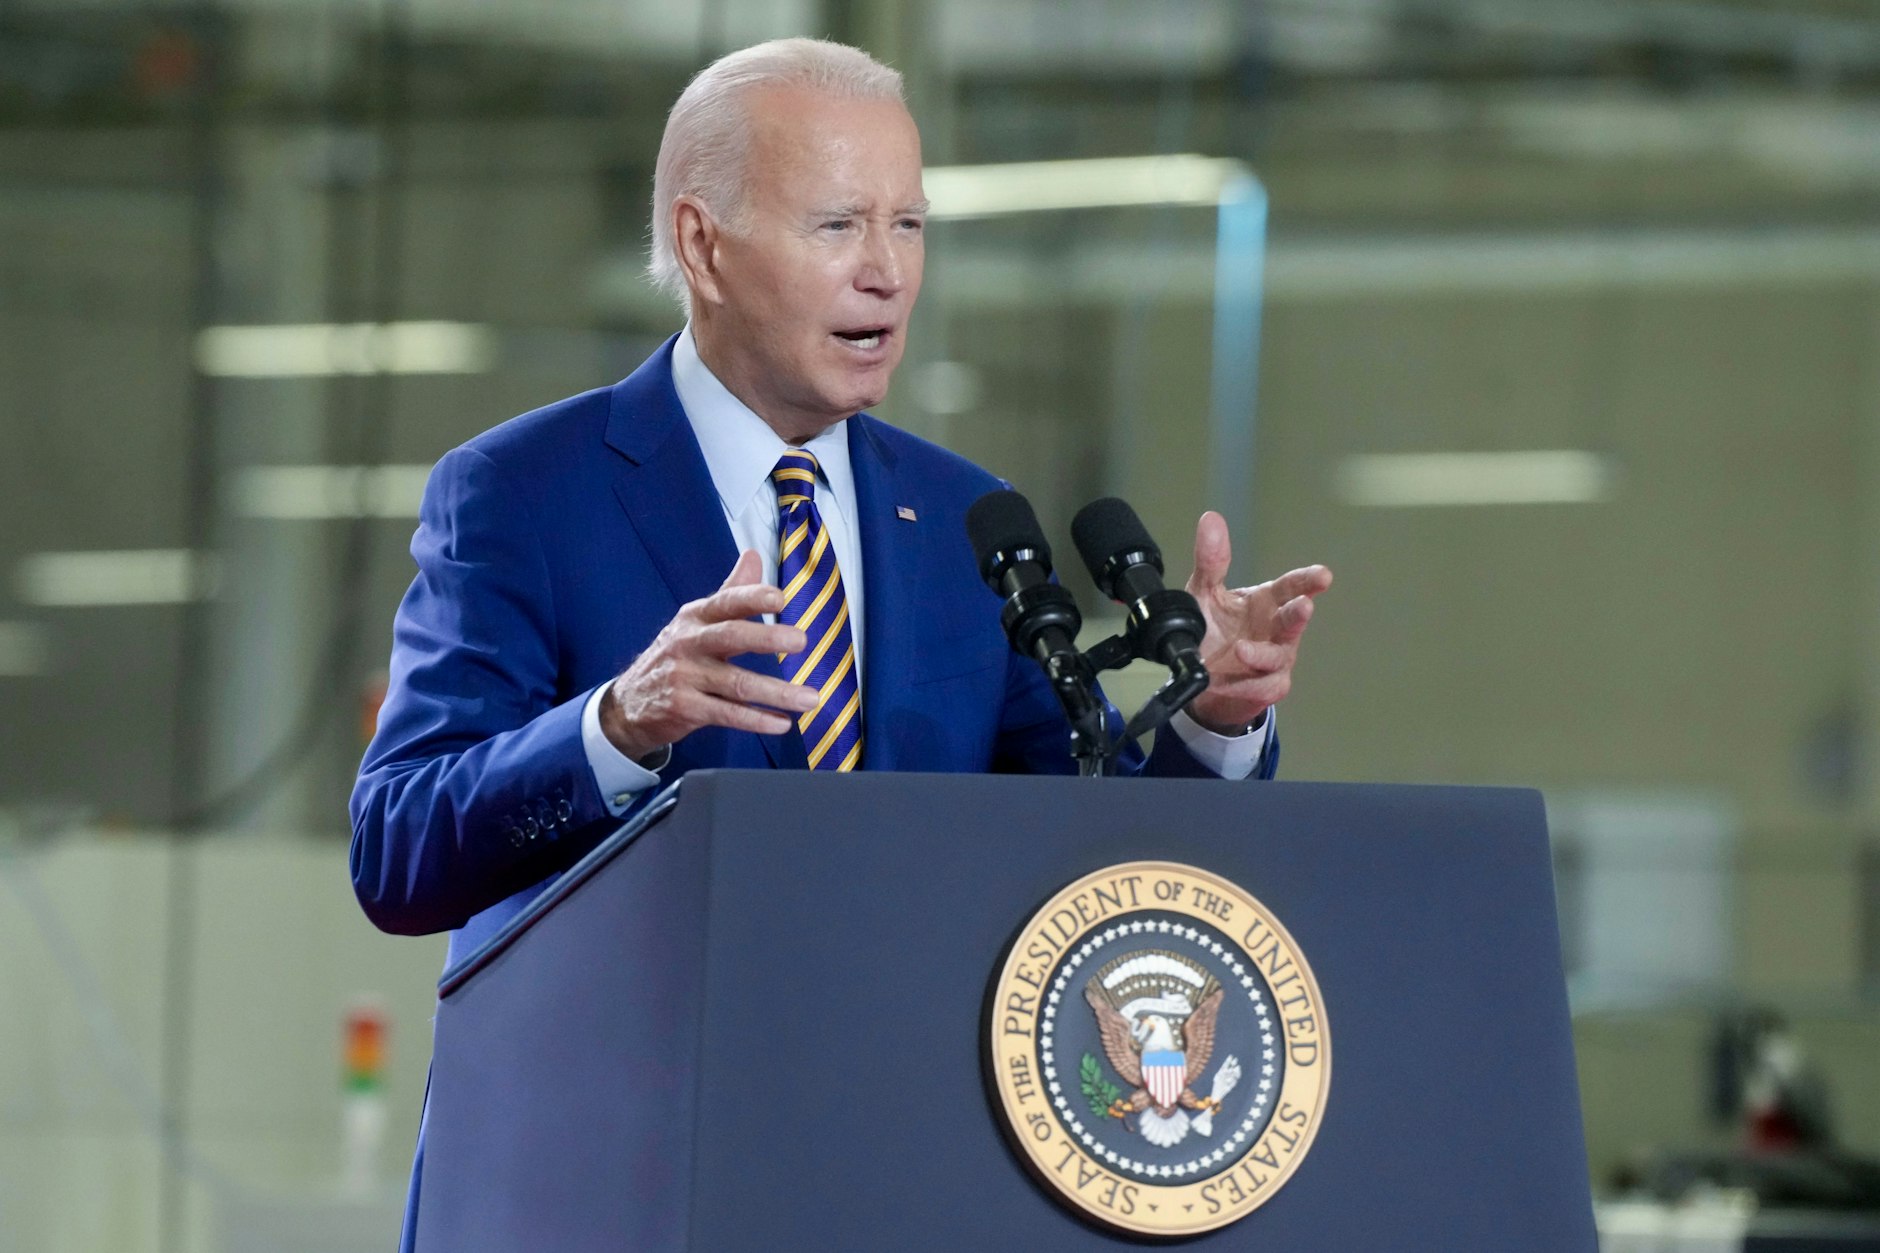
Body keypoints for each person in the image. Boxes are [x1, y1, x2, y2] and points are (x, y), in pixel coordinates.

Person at [349, 37, 1330, 1248]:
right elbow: (396, 848)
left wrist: (1208, 719)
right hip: (609, 1178)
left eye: (909, 226)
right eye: (836, 227)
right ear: (703, 245)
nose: (887, 275)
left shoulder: (967, 517)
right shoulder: (521, 491)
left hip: (895, 1172)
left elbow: (1095, 848)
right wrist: (616, 725)